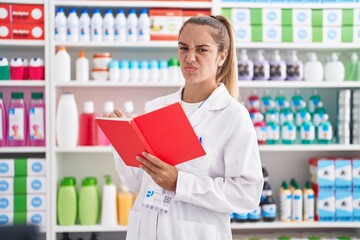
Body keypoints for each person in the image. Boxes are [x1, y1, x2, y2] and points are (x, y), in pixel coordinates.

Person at [106, 15, 264, 240]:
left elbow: (247, 194)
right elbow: (136, 183)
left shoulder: (233, 116)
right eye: (183, 48)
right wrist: (121, 141)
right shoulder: (157, 107)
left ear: (222, 56)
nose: (190, 58)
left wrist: (180, 182)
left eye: (202, 50)